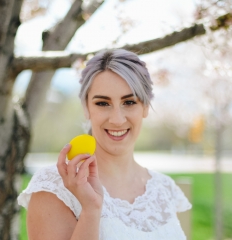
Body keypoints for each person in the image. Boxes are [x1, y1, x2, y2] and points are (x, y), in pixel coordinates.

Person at [18, 49, 192, 239]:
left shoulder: (164, 188)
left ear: (144, 107)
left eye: (129, 102)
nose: (117, 119)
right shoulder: (54, 187)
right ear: (86, 108)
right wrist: (91, 210)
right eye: (103, 103)